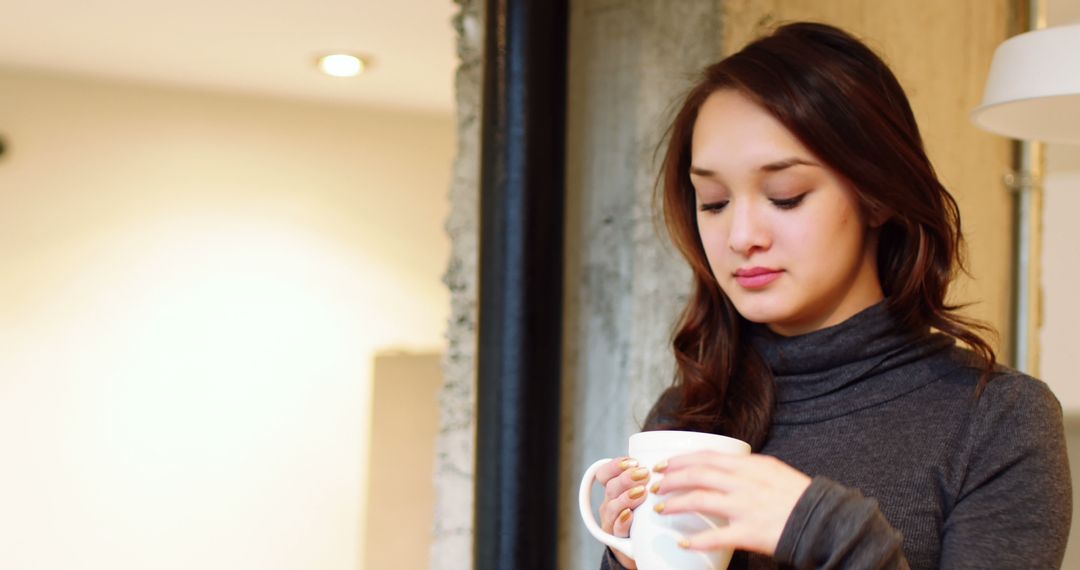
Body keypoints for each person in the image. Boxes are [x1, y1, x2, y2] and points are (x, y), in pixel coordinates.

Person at [593, 21, 1071, 570]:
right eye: (715, 202)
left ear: (876, 196)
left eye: (785, 196)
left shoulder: (997, 421)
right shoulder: (688, 415)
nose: (742, 236)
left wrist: (825, 530)